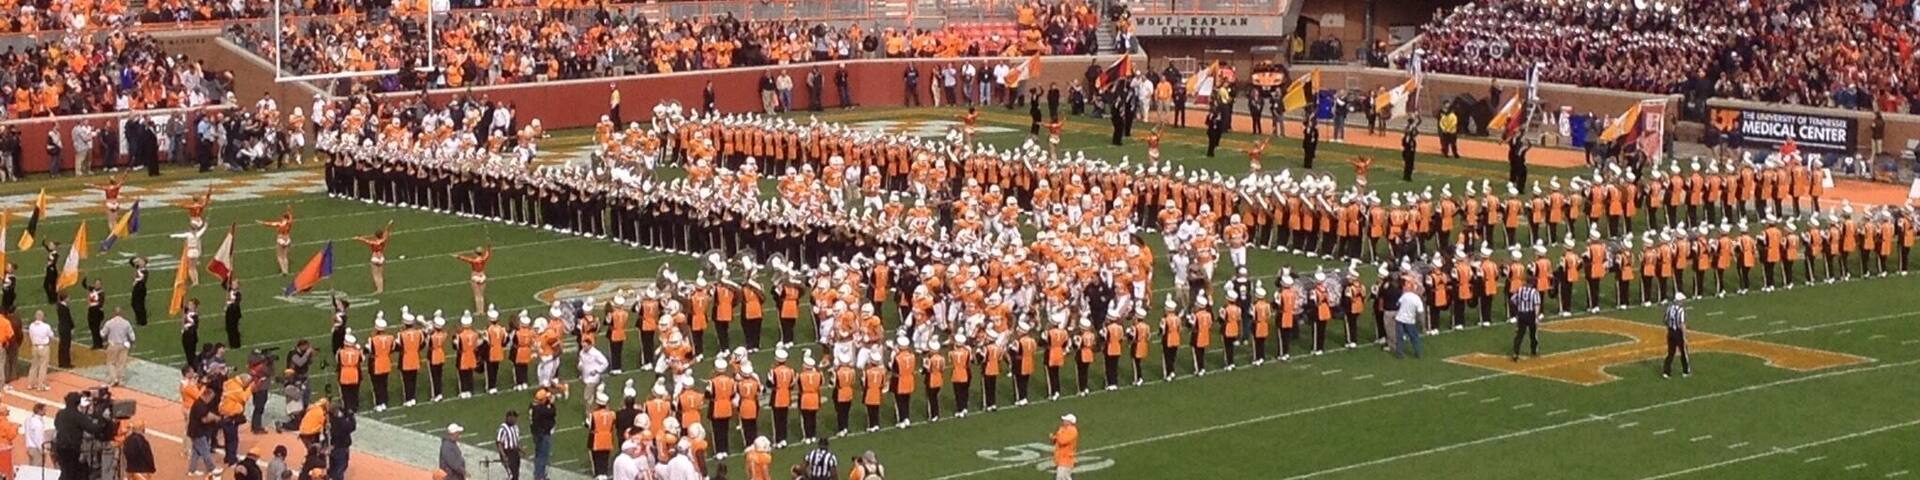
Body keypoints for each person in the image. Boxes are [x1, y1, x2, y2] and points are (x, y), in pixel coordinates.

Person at [55, 391, 115, 480]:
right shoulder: (78, 416)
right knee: (71, 472)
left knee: (66, 470)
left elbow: (56, 424)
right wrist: (105, 421)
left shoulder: (60, 413)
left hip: (60, 447)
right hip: (72, 448)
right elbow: (93, 429)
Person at [530, 388, 557, 480]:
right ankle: (539, 476)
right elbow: (552, 412)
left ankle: (539, 475)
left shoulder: (533, 406)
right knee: (543, 456)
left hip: (536, 433)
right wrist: (551, 404)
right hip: (542, 434)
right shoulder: (540, 409)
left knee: (539, 454)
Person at [1394, 277, 1425, 359]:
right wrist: (1422, 325)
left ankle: (1400, 353)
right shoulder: (1417, 299)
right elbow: (1421, 313)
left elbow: (1397, 304)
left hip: (1400, 319)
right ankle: (1418, 352)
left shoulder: (1405, 295)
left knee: (1399, 337)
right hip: (1410, 321)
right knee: (1414, 337)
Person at [103, 307, 134, 385]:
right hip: (123, 345)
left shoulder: (109, 322)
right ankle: (120, 380)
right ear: (122, 314)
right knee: (121, 363)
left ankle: (114, 379)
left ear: (114, 314)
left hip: (113, 344)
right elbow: (132, 336)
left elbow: (103, 333)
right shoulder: (126, 323)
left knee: (111, 362)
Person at [1510, 283, 1541, 360]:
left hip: (1521, 314)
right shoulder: (1534, 292)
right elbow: (1537, 304)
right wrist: (1536, 317)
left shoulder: (1520, 290)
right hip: (1530, 314)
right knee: (1533, 334)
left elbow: (1512, 299)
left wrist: (1517, 310)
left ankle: (1515, 353)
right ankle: (1533, 351)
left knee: (1519, 335)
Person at [1664, 293, 1691, 378]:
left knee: (1670, 353)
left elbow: (1665, 320)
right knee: (1683, 352)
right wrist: (1684, 337)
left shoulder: (1669, 308)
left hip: (1670, 332)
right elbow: (1682, 324)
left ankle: (1666, 372)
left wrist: (1670, 328)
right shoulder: (1681, 310)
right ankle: (1686, 371)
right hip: (1678, 333)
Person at [27, 311, 52, 390]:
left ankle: (31, 383)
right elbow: (51, 335)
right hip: (44, 347)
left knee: (34, 365)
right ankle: (41, 385)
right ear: (42, 317)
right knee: (43, 366)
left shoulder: (31, 326)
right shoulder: (46, 326)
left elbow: (30, 335)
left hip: (34, 346)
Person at [1051, 414, 1079, 480]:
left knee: (1062, 478)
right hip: (1062, 459)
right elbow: (1057, 440)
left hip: (1066, 459)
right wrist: (1053, 438)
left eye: (1065, 420)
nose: (1063, 421)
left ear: (1070, 422)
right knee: (1063, 478)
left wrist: (1058, 435)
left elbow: (1062, 441)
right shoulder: (1064, 429)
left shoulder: (1072, 431)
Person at [497, 410, 523, 480]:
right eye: (514, 417)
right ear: (509, 418)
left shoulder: (516, 427)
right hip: (508, 453)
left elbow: (516, 441)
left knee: (516, 473)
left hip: (515, 453)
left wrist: (520, 450)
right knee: (511, 474)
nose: (516, 419)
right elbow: (499, 443)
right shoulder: (503, 428)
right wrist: (503, 455)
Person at [54, 292, 73, 368]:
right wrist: (72, 326)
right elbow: (68, 319)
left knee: (62, 345)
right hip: (66, 328)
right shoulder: (64, 308)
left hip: (62, 327)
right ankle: (66, 363)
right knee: (66, 345)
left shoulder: (59, 306)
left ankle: (62, 362)